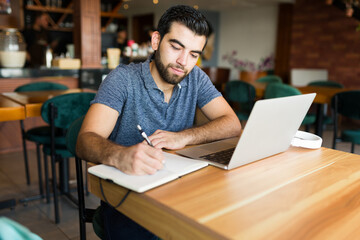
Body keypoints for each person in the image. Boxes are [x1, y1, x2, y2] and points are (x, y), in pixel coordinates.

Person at [76, 5, 241, 239]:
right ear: (156, 41)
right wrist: (121, 155)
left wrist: (184, 136)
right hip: (129, 199)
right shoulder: (122, 79)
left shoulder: (195, 77)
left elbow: (232, 124)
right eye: (176, 47)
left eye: (194, 54)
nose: (183, 61)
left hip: (180, 191)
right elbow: (85, 140)